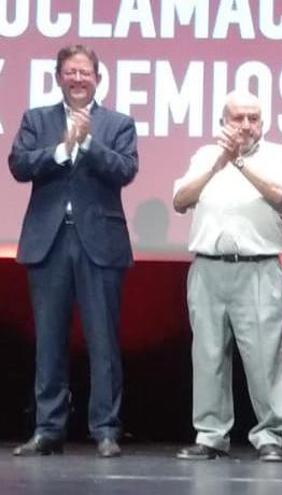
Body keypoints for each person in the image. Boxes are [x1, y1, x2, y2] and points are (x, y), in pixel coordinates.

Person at [8, 44, 138, 458]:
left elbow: (126, 170)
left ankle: (105, 429)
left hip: (99, 242)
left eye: (85, 72)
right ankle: (48, 429)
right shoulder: (36, 119)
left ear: (98, 78)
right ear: (58, 77)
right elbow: (19, 164)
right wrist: (63, 148)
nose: (78, 79)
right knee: (49, 341)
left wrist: (88, 145)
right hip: (48, 242)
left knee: (103, 341)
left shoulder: (118, 123)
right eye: (71, 72)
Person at [171, 90, 282, 462]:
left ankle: (271, 434)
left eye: (252, 118)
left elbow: (278, 195)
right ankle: (210, 435)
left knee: (264, 356)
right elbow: (180, 200)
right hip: (208, 267)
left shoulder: (280, 156)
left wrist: (239, 162)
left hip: (258, 268)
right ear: (223, 121)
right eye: (237, 118)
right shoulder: (205, 156)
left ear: (263, 122)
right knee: (207, 356)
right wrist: (218, 164)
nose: (245, 125)